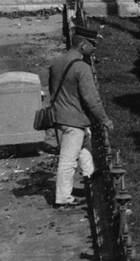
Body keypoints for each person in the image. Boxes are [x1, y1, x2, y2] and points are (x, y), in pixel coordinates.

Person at [48, 21, 112, 208]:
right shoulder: (82, 68)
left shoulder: (56, 62)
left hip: (59, 116)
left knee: (85, 144)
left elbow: (52, 89)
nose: (94, 50)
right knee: (68, 160)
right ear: (83, 45)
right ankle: (63, 198)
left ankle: (90, 175)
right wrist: (104, 119)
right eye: (93, 46)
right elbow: (92, 99)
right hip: (73, 120)